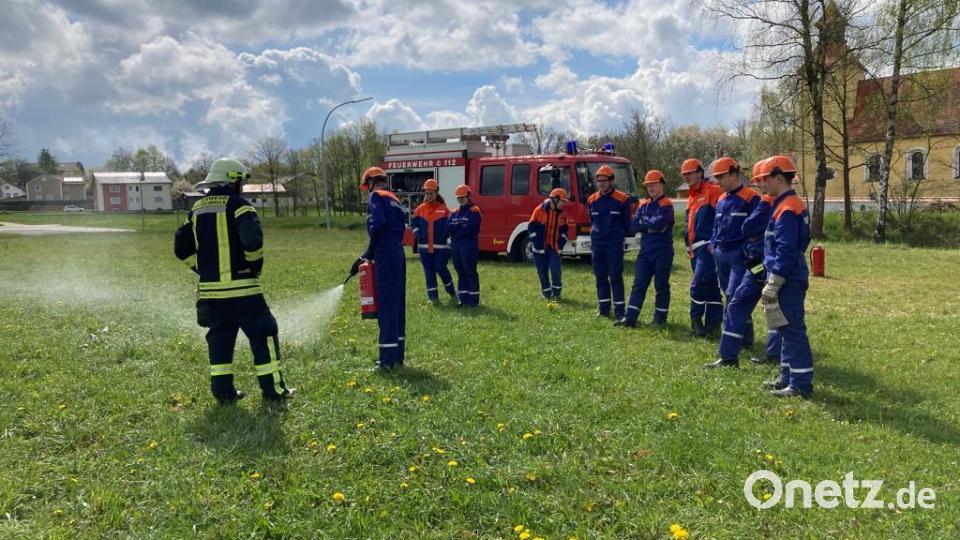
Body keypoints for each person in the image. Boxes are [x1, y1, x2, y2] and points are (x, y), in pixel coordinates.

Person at [174, 157, 293, 404]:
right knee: (264, 331)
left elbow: (180, 246)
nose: (241, 186)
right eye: (240, 180)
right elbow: (252, 242)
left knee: (220, 339)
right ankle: (274, 391)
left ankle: (223, 393)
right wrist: (254, 267)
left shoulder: (196, 210)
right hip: (242, 289)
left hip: (210, 292)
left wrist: (201, 269)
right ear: (232, 180)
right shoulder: (241, 207)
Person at [707, 159, 773, 368]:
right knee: (730, 294)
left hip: (740, 255)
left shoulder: (751, 197)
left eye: (721, 177)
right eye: (716, 177)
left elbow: (755, 227)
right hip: (721, 253)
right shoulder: (721, 199)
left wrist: (747, 250)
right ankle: (740, 341)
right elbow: (716, 224)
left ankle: (740, 341)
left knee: (734, 296)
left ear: (734, 174)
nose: (718, 181)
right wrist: (714, 241)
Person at [758, 155, 814, 397]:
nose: (762, 185)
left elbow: (786, 249)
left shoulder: (788, 208)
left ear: (779, 177)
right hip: (786, 276)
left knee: (792, 330)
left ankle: (800, 385)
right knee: (783, 329)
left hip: (787, 279)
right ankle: (787, 378)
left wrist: (775, 280)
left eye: (764, 179)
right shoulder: (784, 205)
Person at [354, 166, 408, 369]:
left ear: (370, 182)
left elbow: (377, 224)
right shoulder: (395, 199)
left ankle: (386, 360)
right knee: (397, 304)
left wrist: (369, 251)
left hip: (385, 254)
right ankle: (397, 356)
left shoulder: (376, 197)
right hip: (398, 254)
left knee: (386, 304)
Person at [616, 170, 674, 328]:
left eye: (654, 184)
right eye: (648, 185)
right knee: (639, 283)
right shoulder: (644, 204)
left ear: (661, 184)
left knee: (661, 285)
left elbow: (658, 225)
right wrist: (648, 225)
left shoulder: (666, 204)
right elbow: (632, 227)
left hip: (662, 251)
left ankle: (660, 318)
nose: (651, 188)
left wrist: (645, 224)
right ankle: (630, 318)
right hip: (646, 251)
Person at [681, 158, 724, 337]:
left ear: (700, 173)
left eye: (690, 173)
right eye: (684, 175)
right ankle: (713, 325)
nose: (687, 177)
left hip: (707, 248)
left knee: (698, 284)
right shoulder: (691, 196)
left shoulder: (713, 190)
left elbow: (722, 217)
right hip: (695, 249)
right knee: (711, 287)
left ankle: (696, 322)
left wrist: (715, 241)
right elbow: (689, 224)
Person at [587, 164, 632, 321]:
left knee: (615, 276)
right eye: (599, 181)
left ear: (611, 181)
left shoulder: (622, 199)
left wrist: (616, 235)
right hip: (597, 245)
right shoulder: (591, 200)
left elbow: (626, 223)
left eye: (604, 180)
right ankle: (604, 310)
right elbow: (591, 221)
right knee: (600, 277)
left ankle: (620, 311)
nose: (601, 183)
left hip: (614, 244)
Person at [411, 179, 456, 303]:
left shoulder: (444, 210)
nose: (429, 195)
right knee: (429, 272)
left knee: (441, 268)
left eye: (431, 193)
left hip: (440, 248)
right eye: (427, 193)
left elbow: (450, 225)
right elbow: (413, 223)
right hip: (424, 248)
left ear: (436, 192)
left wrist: (445, 234)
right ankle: (433, 298)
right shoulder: (420, 209)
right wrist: (416, 232)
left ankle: (452, 292)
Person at [528, 187, 570, 300]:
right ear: (555, 200)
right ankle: (546, 294)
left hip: (553, 246)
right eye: (562, 201)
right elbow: (532, 228)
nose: (563, 204)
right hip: (539, 247)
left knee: (555, 269)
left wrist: (561, 243)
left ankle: (557, 294)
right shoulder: (539, 210)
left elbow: (565, 230)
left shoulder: (562, 213)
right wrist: (537, 244)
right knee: (542, 271)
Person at [448, 184, 482, 307]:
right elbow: (448, 228)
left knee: (470, 272)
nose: (460, 200)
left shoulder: (475, 211)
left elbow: (470, 229)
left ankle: (473, 301)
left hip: (469, 246)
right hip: (456, 246)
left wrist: (456, 229)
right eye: (458, 198)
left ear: (468, 197)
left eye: (462, 197)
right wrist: (459, 227)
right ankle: (463, 299)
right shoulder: (454, 212)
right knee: (460, 272)